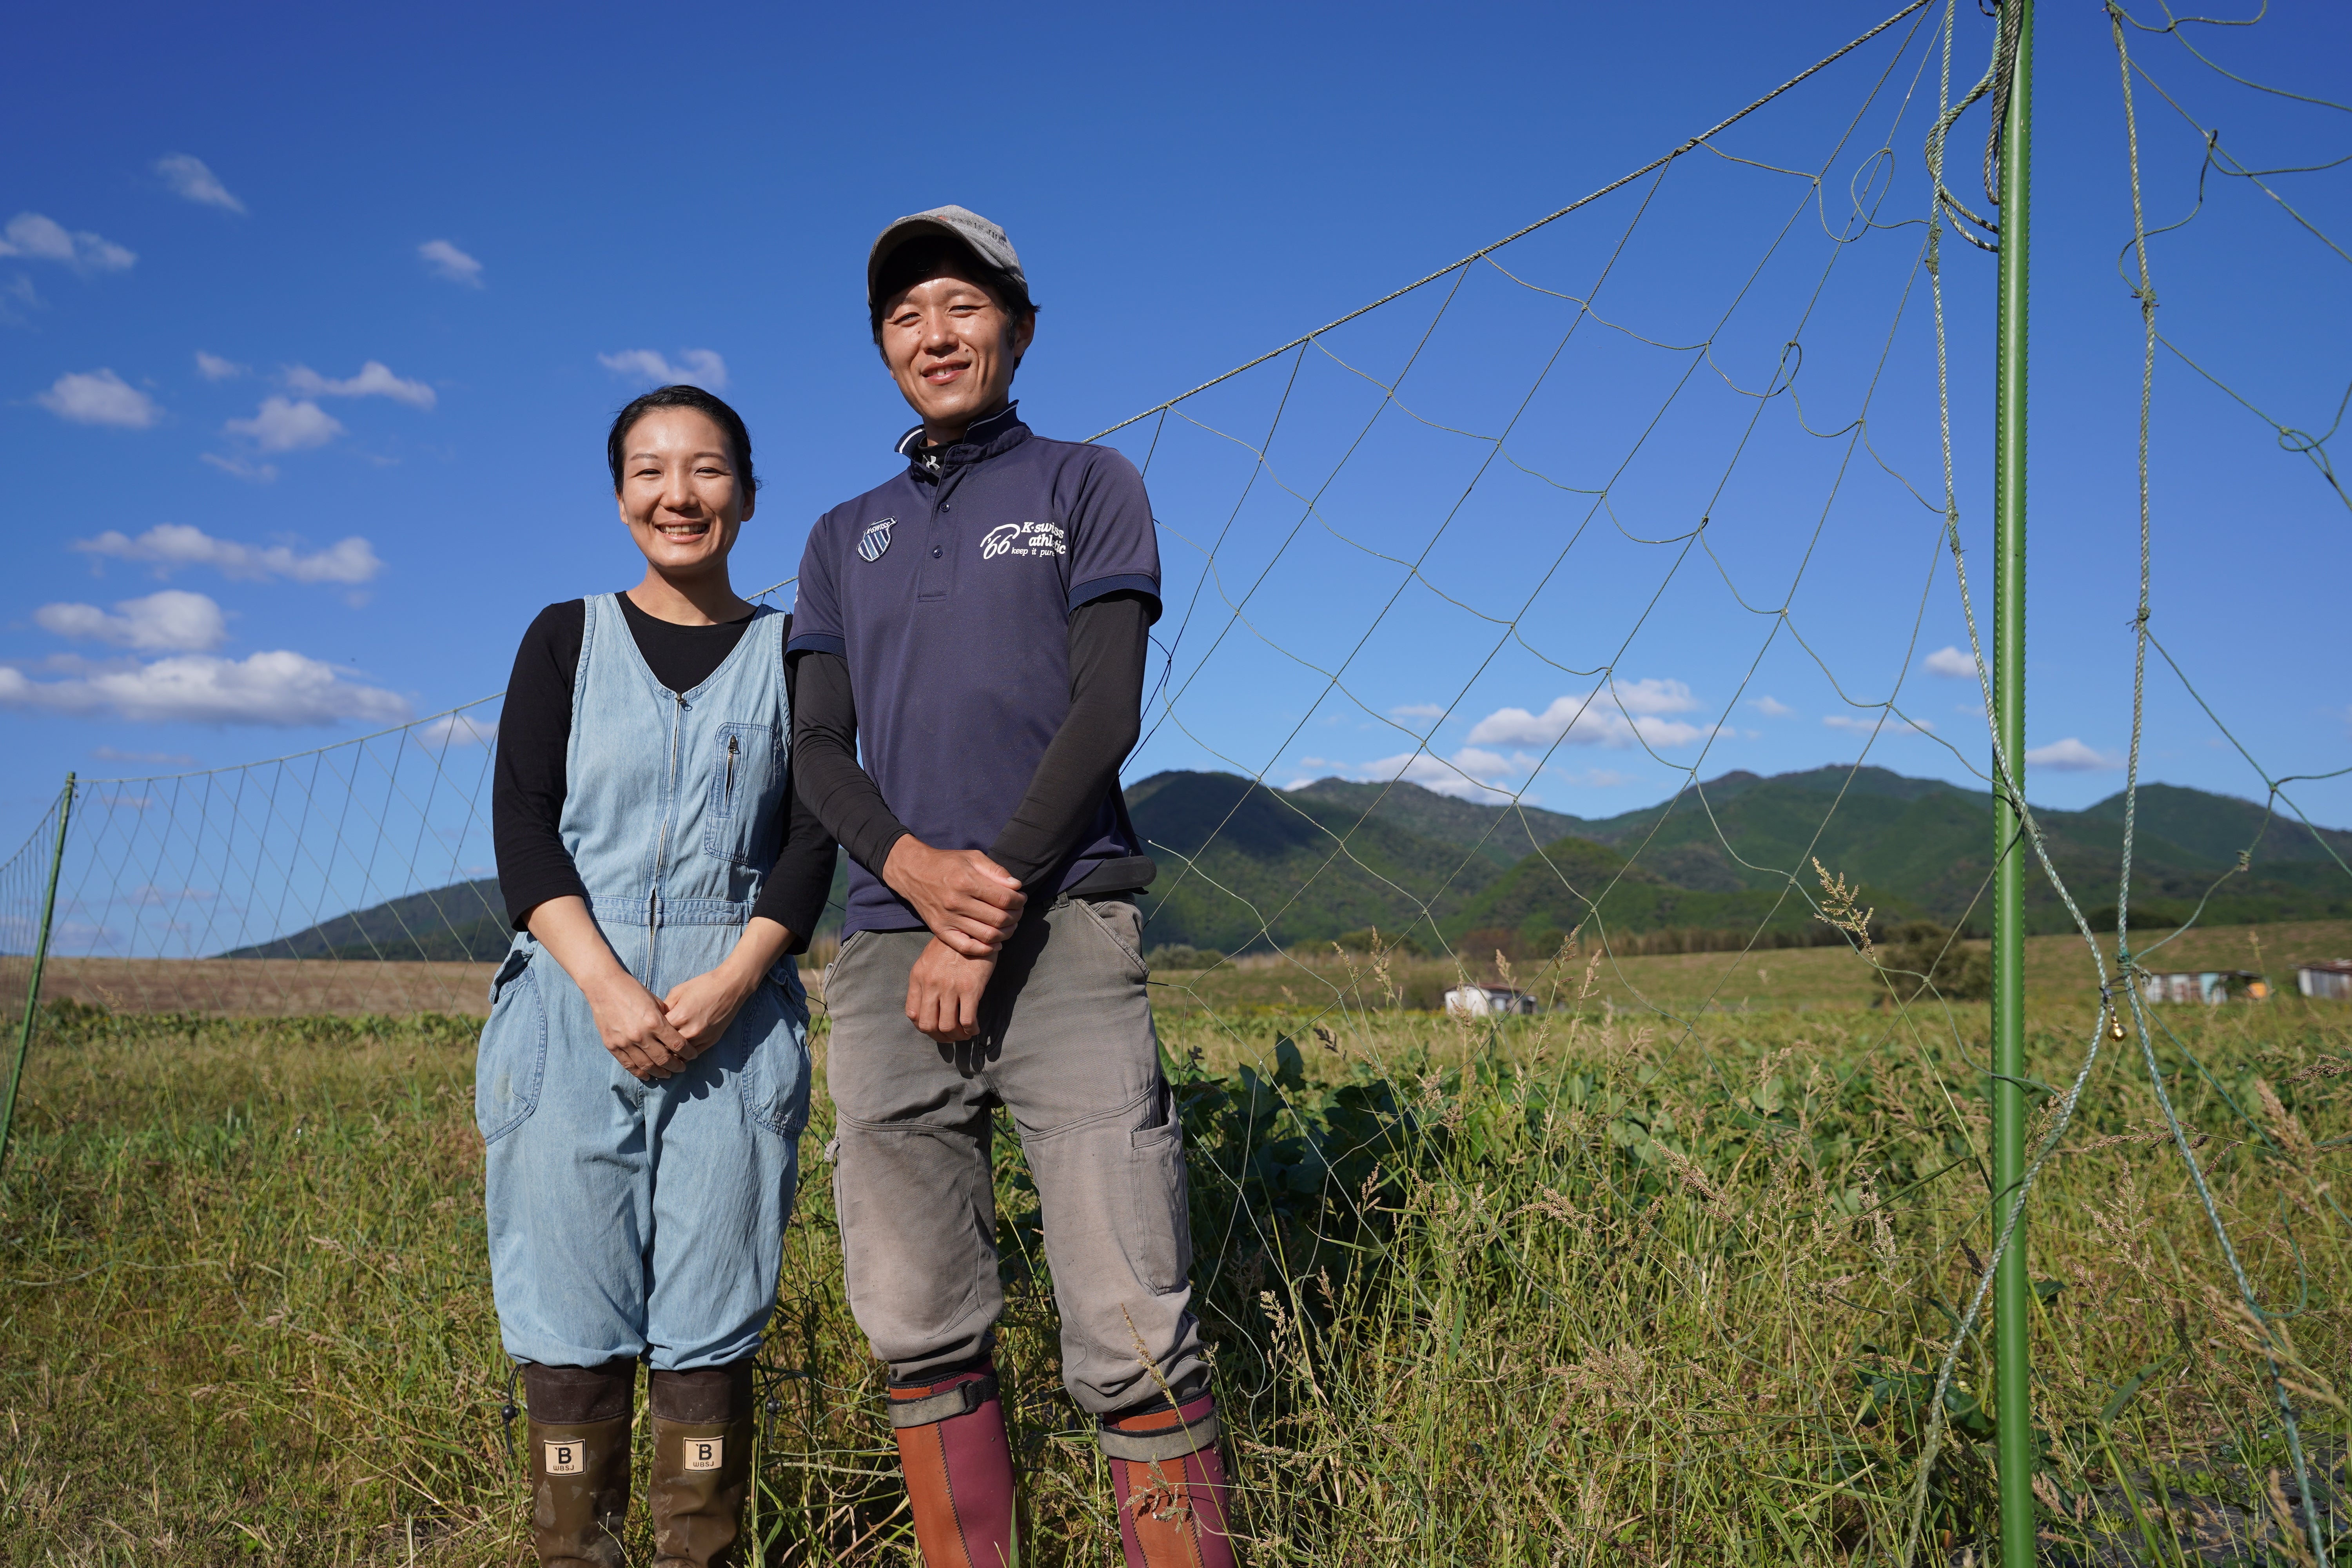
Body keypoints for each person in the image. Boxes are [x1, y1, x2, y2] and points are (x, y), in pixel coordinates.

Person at [790, 206, 1237, 1568]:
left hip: (1067, 932)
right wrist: (914, 872)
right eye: (906, 314)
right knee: (915, 1317)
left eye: (965, 306)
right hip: (885, 952)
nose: (936, 334)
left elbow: (1106, 715)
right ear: (884, 348)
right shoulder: (839, 537)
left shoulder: (1086, 485)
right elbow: (816, 752)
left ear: (1022, 329)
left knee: (1133, 1322)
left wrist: (981, 907)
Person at [481, 384, 833, 1568]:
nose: (678, 495)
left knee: (713, 1312)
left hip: (737, 1010)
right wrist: (606, 985)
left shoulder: (796, 653)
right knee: (569, 1310)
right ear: (621, 495)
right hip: (573, 1005)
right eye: (649, 471)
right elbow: (523, 827)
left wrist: (734, 982)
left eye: (707, 469)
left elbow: (812, 842)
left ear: (749, 494)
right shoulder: (564, 638)